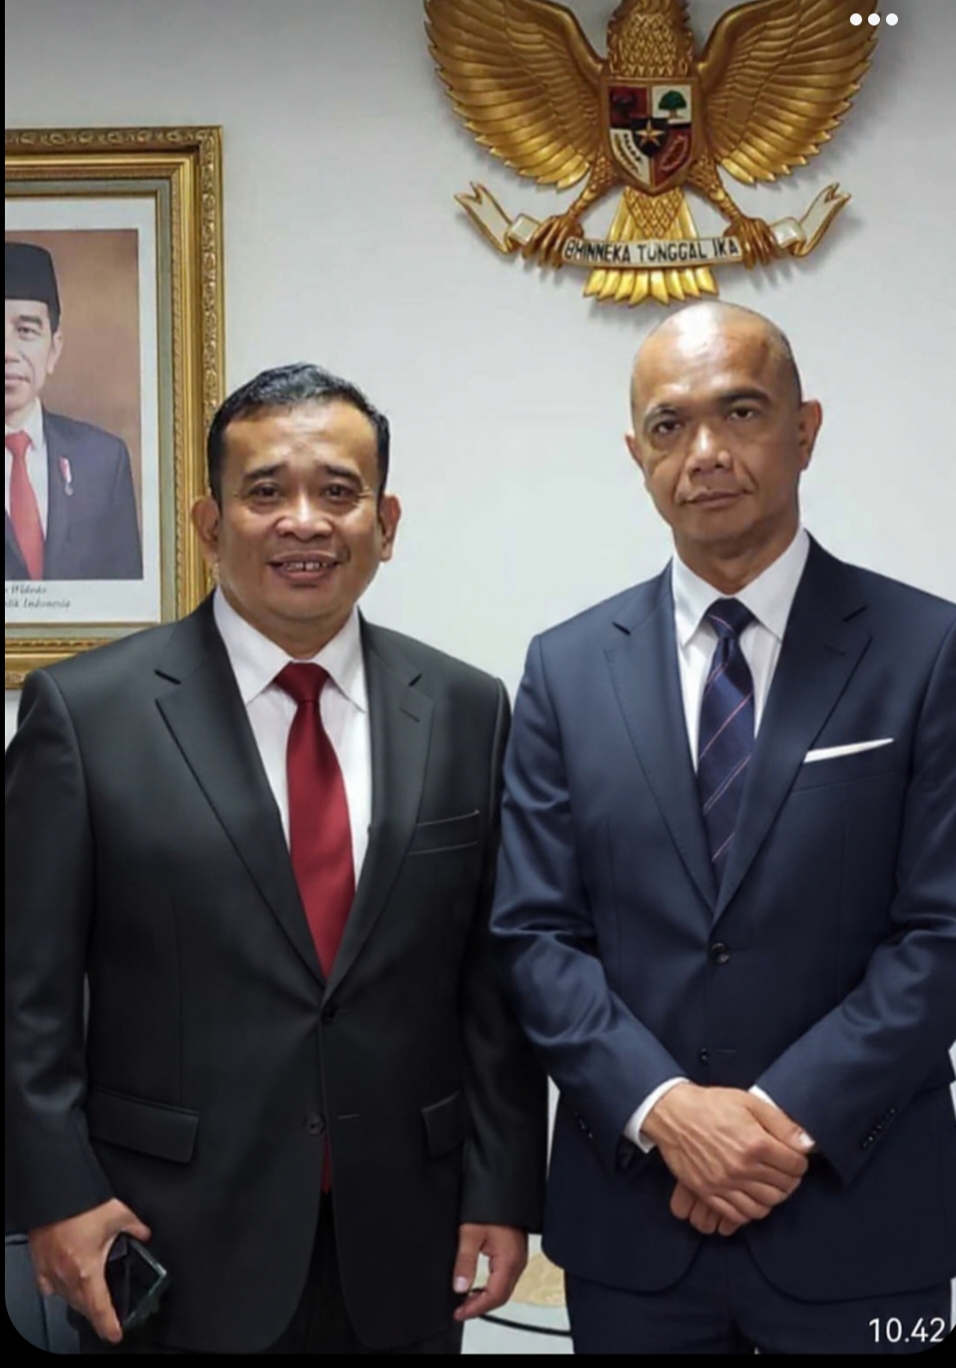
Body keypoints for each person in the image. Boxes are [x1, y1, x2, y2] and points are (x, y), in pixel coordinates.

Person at [6, 363, 546, 1354]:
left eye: (338, 492)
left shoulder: (467, 709)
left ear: (386, 523)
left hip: (406, 1238)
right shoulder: (86, 717)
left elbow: (490, 981)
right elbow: (24, 994)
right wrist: (57, 1193)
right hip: (165, 1238)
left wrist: (502, 1188)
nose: (305, 521)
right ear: (210, 525)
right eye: (266, 492)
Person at [492, 303, 956, 1355]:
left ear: (804, 428)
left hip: (861, 1212)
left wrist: (774, 1125)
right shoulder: (565, 669)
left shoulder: (927, 650)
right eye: (668, 425)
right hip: (635, 1225)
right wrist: (667, 1111)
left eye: (739, 412)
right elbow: (534, 936)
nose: (703, 452)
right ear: (636, 456)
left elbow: (940, 933)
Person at [5, 239, 142, 581]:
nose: (8, 352)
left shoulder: (103, 461)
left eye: (26, 331)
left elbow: (127, 596)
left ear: (53, 349)